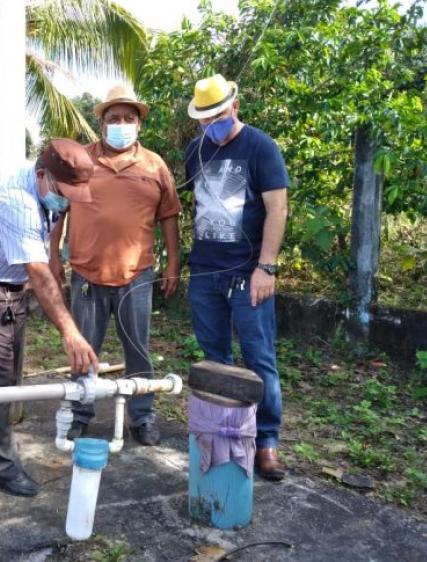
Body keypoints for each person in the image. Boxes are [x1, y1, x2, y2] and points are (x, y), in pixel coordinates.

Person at [0, 138, 99, 497]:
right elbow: (39, 275)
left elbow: (50, 231)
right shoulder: (17, 203)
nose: (67, 203)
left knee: (10, 373)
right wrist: (70, 331)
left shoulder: (45, 188)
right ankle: (3, 467)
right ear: (42, 175)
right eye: (65, 194)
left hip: (14, 289)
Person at [50, 85, 181, 446]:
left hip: (136, 275)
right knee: (83, 349)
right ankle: (79, 413)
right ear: (102, 124)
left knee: (138, 349)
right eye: (113, 119)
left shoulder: (155, 165)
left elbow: (169, 217)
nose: (120, 124)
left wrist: (173, 262)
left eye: (128, 118)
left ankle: (143, 417)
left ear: (139, 124)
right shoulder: (81, 161)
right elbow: (59, 210)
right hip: (86, 274)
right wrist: (52, 255)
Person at [184, 74, 289, 480]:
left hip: (248, 274)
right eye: (206, 120)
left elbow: (277, 209)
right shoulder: (196, 149)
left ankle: (267, 442)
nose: (214, 125)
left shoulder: (261, 147)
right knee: (215, 360)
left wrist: (266, 267)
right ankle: (225, 436)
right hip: (206, 272)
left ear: (235, 106)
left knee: (259, 358)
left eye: (220, 115)